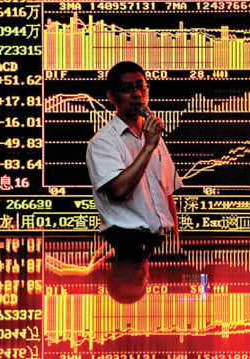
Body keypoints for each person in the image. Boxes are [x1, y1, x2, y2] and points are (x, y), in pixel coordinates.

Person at [86, 61, 183, 303]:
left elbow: (167, 193)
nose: (137, 94)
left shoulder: (153, 138)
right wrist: (148, 146)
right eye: (127, 88)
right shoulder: (103, 142)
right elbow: (119, 190)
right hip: (126, 238)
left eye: (141, 86)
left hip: (160, 237)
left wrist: (177, 241)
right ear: (111, 96)